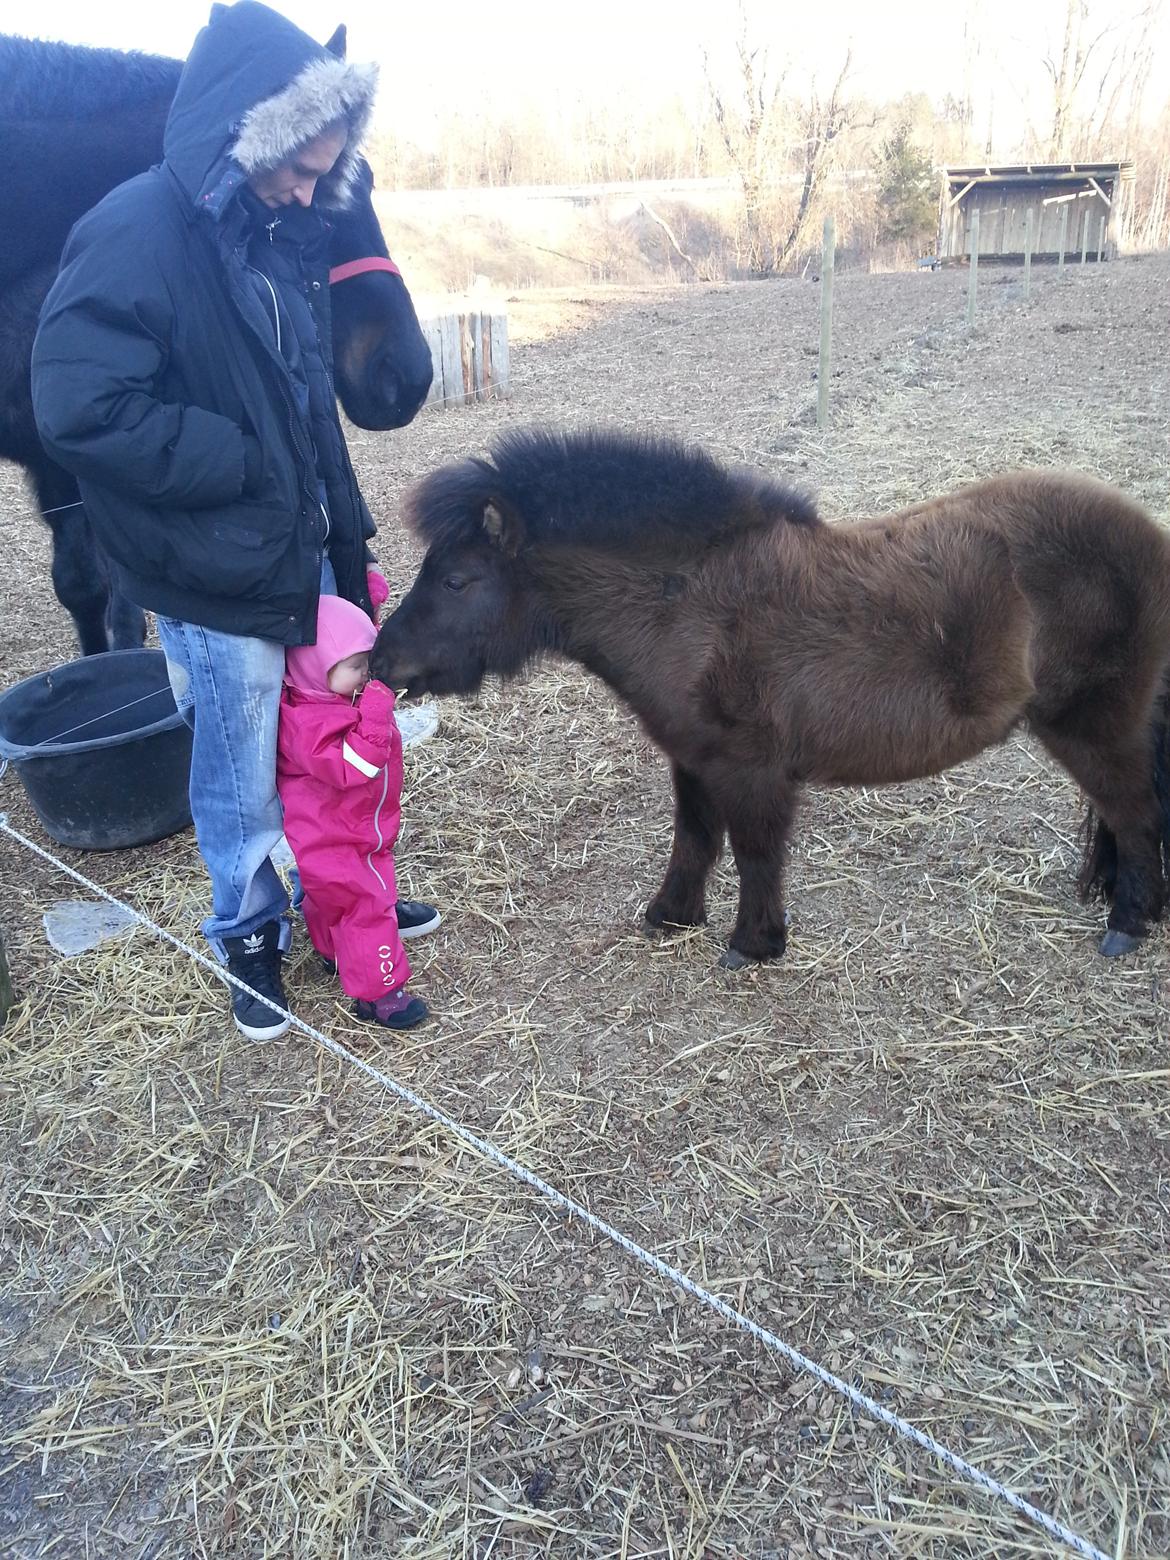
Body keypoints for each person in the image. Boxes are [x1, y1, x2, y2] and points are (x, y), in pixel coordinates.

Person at [30, 0, 438, 1042]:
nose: (310, 190)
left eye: (323, 172)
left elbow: (305, 396)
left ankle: (349, 901)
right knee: (239, 761)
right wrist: (233, 460)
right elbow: (78, 402)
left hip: (289, 549)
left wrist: (341, 528)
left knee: (325, 738)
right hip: (210, 567)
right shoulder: (135, 231)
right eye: (299, 167)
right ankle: (249, 933)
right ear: (240, 129)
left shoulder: (277, 236)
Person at [278, 594, 431, 1031]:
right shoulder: (311, 722)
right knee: (367, 907)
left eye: (370, 660)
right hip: (344, 837)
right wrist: (378, 706)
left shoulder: (322, 702)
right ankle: (380, 993)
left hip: (332, 834)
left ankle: (332, 953)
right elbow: (355, 766)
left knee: (332, 901)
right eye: (357, 664)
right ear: (314, 666)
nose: (367, 673)